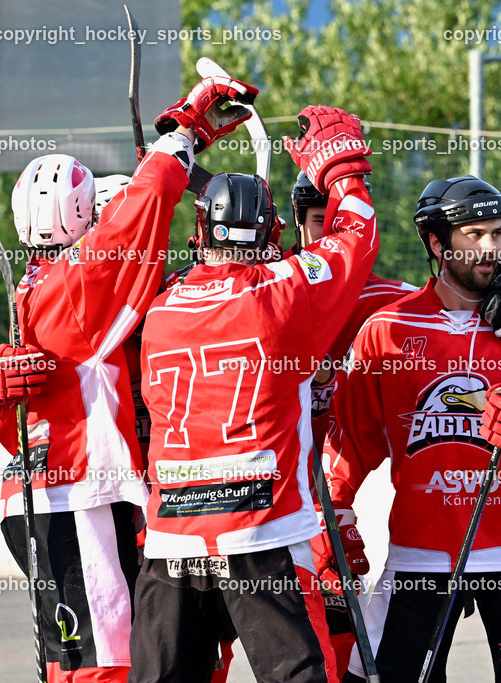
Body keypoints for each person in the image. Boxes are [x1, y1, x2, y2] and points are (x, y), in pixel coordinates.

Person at [0, 75, 259, 683]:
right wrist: (182, 137)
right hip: (84, 495)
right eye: (98, 220)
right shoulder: (80, 288)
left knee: (159, 653)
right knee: (108, 662)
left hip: (125, 498)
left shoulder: (59, 295)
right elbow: (138, 219)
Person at [129, 105, 377, 683]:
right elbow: (357, 235)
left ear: (198, 233)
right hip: (261, 534)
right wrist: (344, 171)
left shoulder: (159, 305)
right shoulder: (284, 290)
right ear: (273, 234)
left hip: (171, 540)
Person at [326, 175, 501, 683]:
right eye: (474, 235)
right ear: (436, 243)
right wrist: (332, 512)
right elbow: (351, 437)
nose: (491, 247)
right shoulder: (386, 330)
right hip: (421, 552)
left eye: (497, 233)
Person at [290, 171, 417, 678]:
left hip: (330, 489)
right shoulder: (271, 290)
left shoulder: (390, 302)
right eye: (321, 224)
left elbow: (458, 306)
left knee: (339, 620)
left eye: (341, 227)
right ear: (298, 226)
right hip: (259, 495)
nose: (329, 242)